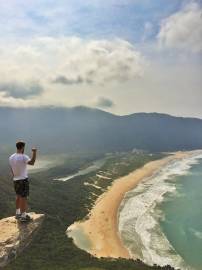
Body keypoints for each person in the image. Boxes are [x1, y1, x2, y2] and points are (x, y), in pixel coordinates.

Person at [9, 141, 37, 222]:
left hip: (15, 179)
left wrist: (15, 176)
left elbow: (12, 169)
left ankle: (17, 213)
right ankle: (23, 215)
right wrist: (34, 152)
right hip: (23, 180)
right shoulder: (23, 157)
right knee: (23, 198)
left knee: (18, 196)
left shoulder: (11, 157)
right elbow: (32, 162)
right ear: (23, 147)